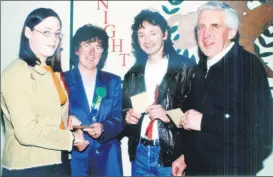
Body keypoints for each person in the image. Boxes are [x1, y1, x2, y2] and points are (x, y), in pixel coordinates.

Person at [172, 1, 273, 175]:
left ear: (232, 31)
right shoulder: (200, 68)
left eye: (215, 26)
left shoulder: (248, 65)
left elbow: (261, 130)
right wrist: (185, 156)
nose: (205, 34)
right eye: (201, 27)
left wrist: (204, 122)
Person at [0, 8, 85, 176]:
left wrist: (67, 120)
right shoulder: (15, 73)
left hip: (58, 162)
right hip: (29, 168)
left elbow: (47, 113)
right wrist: (71, 138)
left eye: (57, 33)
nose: (53, 39)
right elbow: (27, 132)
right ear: (28, 32)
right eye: (46, 32)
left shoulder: (49, 71)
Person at [120, 9, 196, 176]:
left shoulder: (185, 69)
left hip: (172, 156)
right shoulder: (132, 74)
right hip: (139, 153)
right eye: (141, 35)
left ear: (165, 34)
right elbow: (121, 111)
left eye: (153, 33)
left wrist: (167, 115)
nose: (147, 40)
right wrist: (126, 116)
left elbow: (197, 118)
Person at [63, 24, 123, 176]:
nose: (91, 52)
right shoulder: (61, 80)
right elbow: (52, 119)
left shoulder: (113, 81)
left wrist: (103, 128)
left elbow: (118, 119)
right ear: (77, 49)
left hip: (108, 161)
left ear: (103, 52)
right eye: (86, 45)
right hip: (75, 161)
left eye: (97, 47)